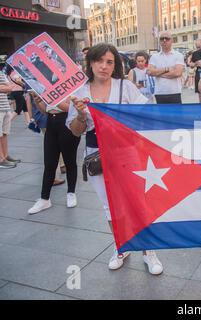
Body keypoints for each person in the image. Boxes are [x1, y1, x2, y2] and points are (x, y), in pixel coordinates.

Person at [66, 43, 163, 275]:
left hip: (127, 152)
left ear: (115, 66)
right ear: (90, 63)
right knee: (110, 207)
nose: (104, 66)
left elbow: (145, 115)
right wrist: (80, 114)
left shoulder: (125, 87)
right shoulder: (80, 92)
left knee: (138, 202)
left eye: (110, 62)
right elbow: (75, 131)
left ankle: (148, 251)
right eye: (100, 61)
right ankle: (121, 246)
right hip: (97, 154)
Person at [27, 94, 81, 214]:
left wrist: (53, 99)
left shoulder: (71, 86)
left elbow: (70, 108)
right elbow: (46, 110)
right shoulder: (47, 86)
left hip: (68, 122)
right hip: (51, 122)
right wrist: (38, 101)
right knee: (49, 163)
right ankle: (44, 198)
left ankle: (71, 193)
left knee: (70, 161)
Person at [148, 31, 185, 104]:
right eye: (162, 39)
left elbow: (177, 73)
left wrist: (158, 73)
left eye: (167, 38)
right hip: (159, 93)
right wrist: (166, 69)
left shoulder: (178, 55)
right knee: (162, 115)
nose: (164, 40)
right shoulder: (154, 56)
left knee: (176, 115)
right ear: (159, 41)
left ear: (172, 41)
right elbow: (149, 72)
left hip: (174, 92)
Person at [0, 65, 19, 168]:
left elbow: (10, 87)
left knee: (4, 133)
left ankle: (5, 155)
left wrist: (5, 88)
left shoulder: (1, 73)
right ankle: (1, 159)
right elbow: (7, 87)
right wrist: (5, 87)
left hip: (5, 106)